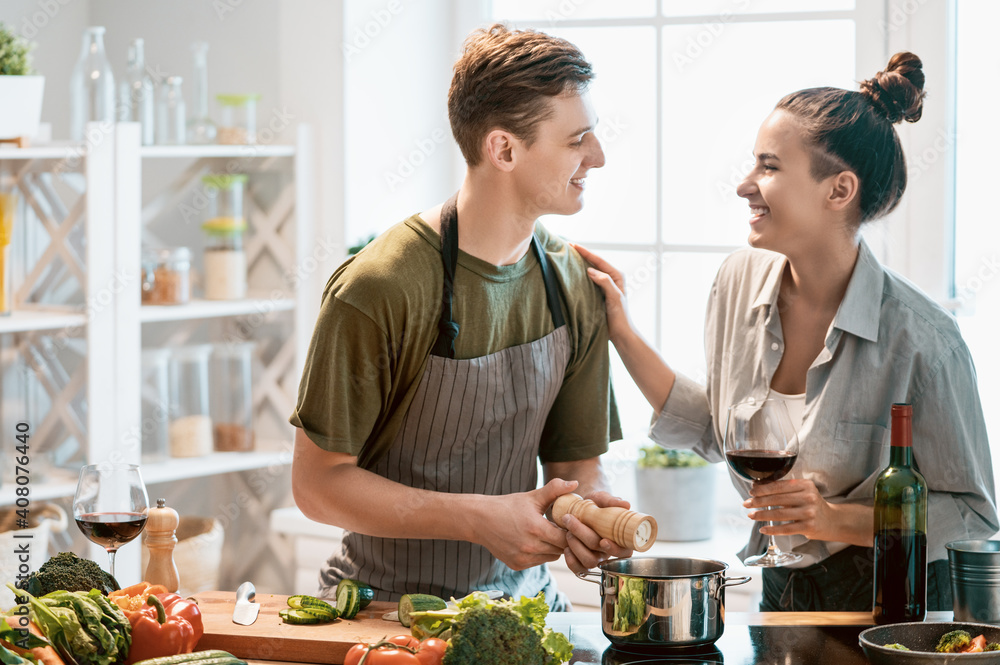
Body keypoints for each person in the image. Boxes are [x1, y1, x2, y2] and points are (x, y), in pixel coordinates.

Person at [576, 52, 998, 611]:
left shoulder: (923, 340)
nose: (745, 185)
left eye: (770, 167)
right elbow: (714, 432)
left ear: (839, 190)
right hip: (781, 585)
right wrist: (620, 330)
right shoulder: (736, 282)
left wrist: (833, 519)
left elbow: (971, 513)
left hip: (890, 597)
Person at [288, 24, 627, 610]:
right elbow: (317, 485)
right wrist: (476, 518)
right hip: (384, 613)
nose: (598, 156)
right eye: (577, 140)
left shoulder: (573, 282)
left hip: (528, 610)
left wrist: (593, 511)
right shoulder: (379, 288)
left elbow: (576, 462)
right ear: (504, 150)